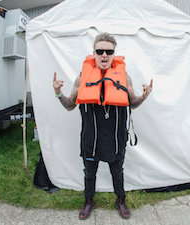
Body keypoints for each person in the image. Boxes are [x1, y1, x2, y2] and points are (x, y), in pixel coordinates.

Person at [52, 32, 153, 219]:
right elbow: (70, 105)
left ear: (114, 54)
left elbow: (132, 102)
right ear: (94, 53)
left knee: (117, 172)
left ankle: (120, 200)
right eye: (100, 51)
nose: (104, 55)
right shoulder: (81, 78)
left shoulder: (125, 77)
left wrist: (143, 97)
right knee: (89, 173)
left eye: (109, 51)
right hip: (91, 137)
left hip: (115, 137)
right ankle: (89, 200)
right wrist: (59, 93)